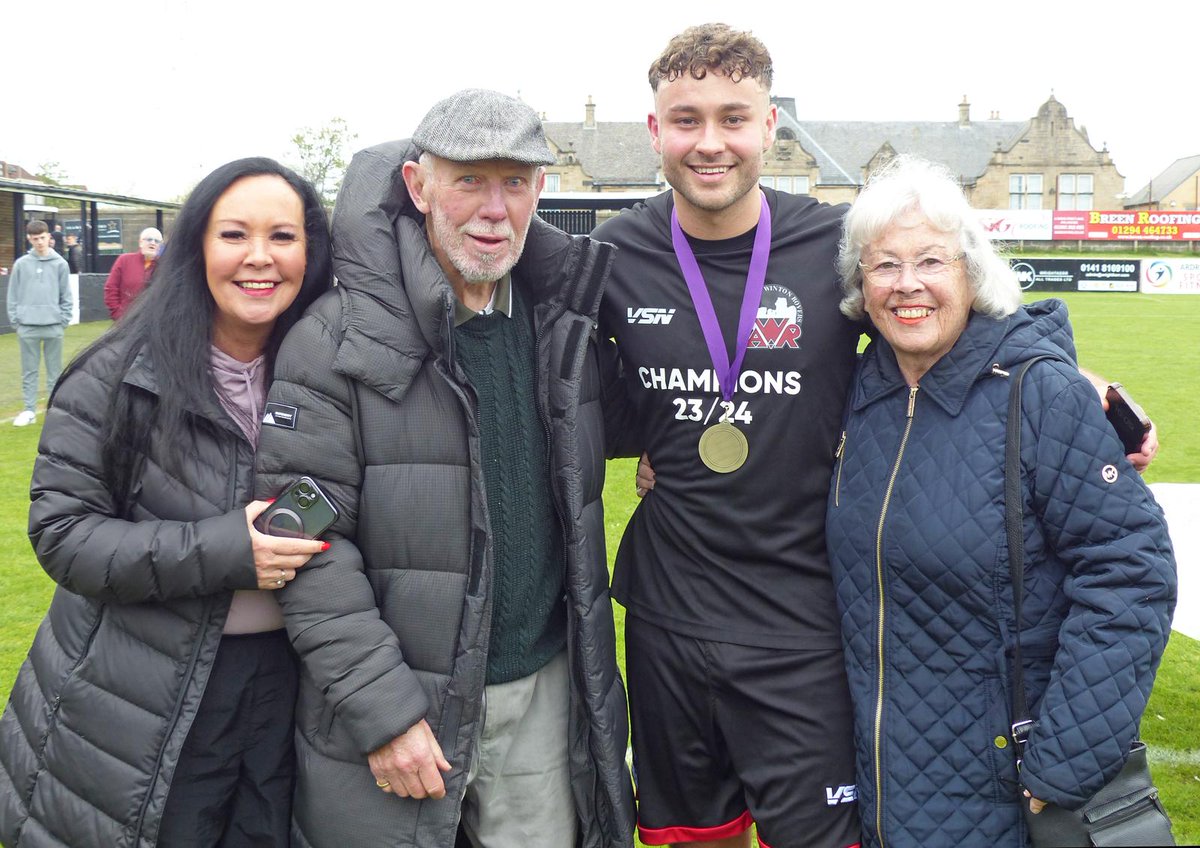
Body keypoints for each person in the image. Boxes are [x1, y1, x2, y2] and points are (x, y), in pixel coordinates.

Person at [253, 89, 634, 847]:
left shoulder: (567, 330)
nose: (494, 209)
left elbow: (650, 423)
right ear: (418, 186)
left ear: (540, 191)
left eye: (514, 182)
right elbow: (304, 547)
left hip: (539, 697)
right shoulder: (333, 340)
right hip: (403, 709)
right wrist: (384, 714)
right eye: (468, 180)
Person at [825, 155, 1175, 848]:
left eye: (931, 260)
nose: (907, 283)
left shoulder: (1042, 394)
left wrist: (1064, 762)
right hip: (883, 784)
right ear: (861, 287)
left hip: (1010, 786)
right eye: (884, 265)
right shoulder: (858, 389)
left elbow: (1131, 574)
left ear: (972, 272)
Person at [0, 158, 332, 847]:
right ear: (196, 247)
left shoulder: (330, 376)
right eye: (234, 234)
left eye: (283, 236)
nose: (260, 257)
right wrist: (226, 550)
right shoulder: (118, 374)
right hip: (143, 693)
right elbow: (64, 534)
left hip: (288, 691)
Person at [594, 24, 861, 848]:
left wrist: (1080, 382)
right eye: (687, 119)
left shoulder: (840, 245)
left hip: (803, 624)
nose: (709, 142)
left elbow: (961, 316)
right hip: (667, 622)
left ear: (769, 126)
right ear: (655, 131)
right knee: (689, 837)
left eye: (733, 118)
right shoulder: (610, 254)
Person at [7, 219, 72, 427]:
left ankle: (53, 410)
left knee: (54, 372)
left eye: (43, 238)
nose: (40, 242)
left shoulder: (60, 264)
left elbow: (66, 296)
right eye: (35, 239)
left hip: (53, 326)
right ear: (29, 239)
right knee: (29, 372)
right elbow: (12, 296)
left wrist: (62, 321)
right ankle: (29, 410)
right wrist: (17, 323)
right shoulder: (21, 264)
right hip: (27, 327)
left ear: (49, 237)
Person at [104, 226, 163, 319]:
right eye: (149, 239)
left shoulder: (164, 265)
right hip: (126, 320)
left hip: (153, 320)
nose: (153, 243)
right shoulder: (124, 260)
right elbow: (111, 288)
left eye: (157, 241)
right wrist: (118, 314)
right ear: (140, 242)